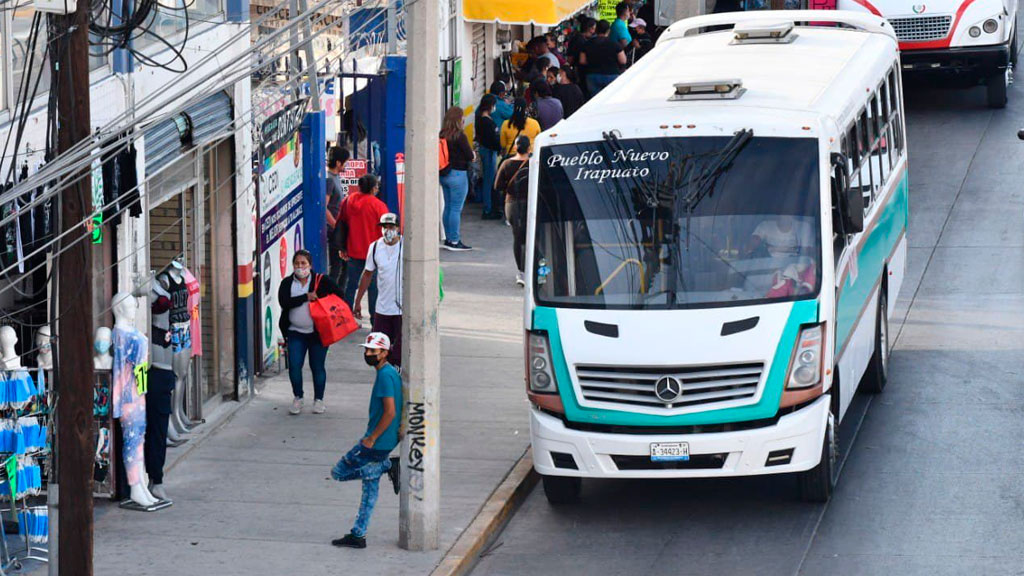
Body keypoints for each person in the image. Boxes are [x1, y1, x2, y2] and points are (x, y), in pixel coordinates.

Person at [330, 332, 403, 549]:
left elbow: (389, 412)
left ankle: (387, 466)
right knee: (370, 492)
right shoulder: (390, 372)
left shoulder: (384, 377)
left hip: (376, 443)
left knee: (338, 472)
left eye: (373, 351)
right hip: (385, 442)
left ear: (384, 353)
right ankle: (358, 534)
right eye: (367, 350)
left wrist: (371, 438)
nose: (368, 353)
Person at [278, 249, 345, 415]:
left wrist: (322, 301)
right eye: (297, 264)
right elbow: (284, 302)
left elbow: (340, 295)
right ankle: (298, 397)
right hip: (295, 332)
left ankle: (319, 400)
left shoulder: (321, 281)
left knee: (317, 366)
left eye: (303, 264)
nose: (300, 267)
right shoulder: (287, 283)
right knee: (294, 366)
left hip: (318, 334)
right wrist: (305, 297)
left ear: (310, 265)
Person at [354, 213, 403, 368]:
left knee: (399, 352)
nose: (387, 230)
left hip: (401, 309)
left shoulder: (406, 247)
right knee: (378, 350)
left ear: (398, 228)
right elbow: (367, 274)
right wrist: (358, 301)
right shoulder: (375, 247)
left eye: (391, 227)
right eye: (384, 227)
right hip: (382, 309)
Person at [339, 174, 389, 315]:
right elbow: (386, 231)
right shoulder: (378, 206)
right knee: (373, 288)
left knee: (351, 285)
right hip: (374, 253)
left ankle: (348, 317)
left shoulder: (348, 201)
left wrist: (343, 247)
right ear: (373, 188)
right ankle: (375, 319)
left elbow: (342, 224)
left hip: (353, 250)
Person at [495, 136, 532, 286]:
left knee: (518, 237)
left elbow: (497, 186)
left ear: (516, 148)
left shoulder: (506, 163)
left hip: (512, 203)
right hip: (530, 203)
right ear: (529, 148)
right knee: (532, 236)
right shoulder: (533, 163)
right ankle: (534, 269)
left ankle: (521, 272)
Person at [439, 106, 475, 251]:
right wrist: (473, 155)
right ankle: (454, 240)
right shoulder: (460, 136)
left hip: (444, 173)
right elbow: (469, 155)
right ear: (458, 119)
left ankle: (448, 238)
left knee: (448, 207)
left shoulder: (442, 134)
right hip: (458, 175)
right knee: (455, 209)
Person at [474, 94, 503, 220]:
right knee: (489, 180)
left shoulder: (479, 118)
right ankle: (488, 208)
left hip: (485, 150)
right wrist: (499, 148)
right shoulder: (487, 122)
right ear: (490, 106)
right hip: (490, 151)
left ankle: (489, 207)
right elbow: (493, 139)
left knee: (488, 179)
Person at [580, 20, 627, 96]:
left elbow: (582, 61)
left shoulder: (587, 44)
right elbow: (623, 61)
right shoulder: (615, 44)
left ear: (596, 30)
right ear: (608, 31)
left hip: (592, 75)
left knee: (595, 101)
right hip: (612, 75)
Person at [326, 146, 350, 284]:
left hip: (337, 229)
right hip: (333, 231)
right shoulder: (330, 180)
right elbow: (324, 208)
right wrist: (335, 226)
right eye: (345, 162)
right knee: (337, 268)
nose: (346, 165)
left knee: (342, 267)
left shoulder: (335, 178)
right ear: (338, 163)